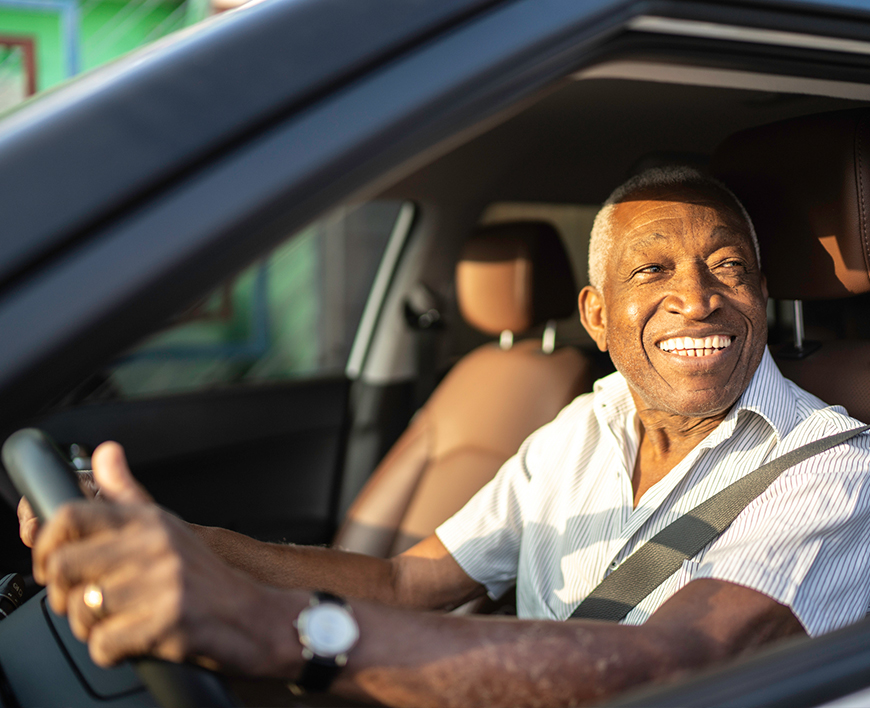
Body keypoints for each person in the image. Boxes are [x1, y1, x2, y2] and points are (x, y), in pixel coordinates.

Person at [19, 167, 870, 707]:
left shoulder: (834, 471)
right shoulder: (585, 424)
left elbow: (672, 663)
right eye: (654, 269)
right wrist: (188, 544)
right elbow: (405, 582)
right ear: (596, 316)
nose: (698, 297)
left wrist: (268, 628)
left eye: (729, 268)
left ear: (761, 295)